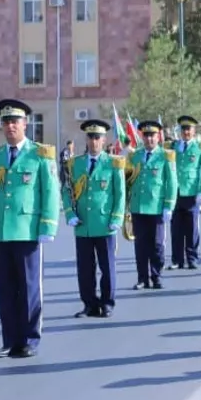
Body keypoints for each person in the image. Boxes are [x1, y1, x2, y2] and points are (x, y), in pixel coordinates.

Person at [0, 99, 60, 358]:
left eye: (15, 121)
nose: (10, 126)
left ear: (26, 124)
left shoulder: (40, 154)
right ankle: (9, 340)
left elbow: (50, 192)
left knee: (28, 288)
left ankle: (29, 340)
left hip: (27, 230)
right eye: (6, 122)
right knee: (5, 289)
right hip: (1, 231)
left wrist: (48, 225)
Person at [63, 119, 126, 318]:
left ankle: (107, 303)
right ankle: (89, 304)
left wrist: (116, 218)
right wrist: (70, 214)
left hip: (105, 224)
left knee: (107, 267)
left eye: (97, 137)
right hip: (83, 224)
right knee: (85, 269)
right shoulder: (75, 164)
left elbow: (120, 194)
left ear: (104, 139)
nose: (93, 142)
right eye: (90, 137)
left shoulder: (114, 163)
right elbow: (67, 190)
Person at [127, 121, 177, 289]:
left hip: (156, 207)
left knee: (156, 244)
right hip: (138, 206)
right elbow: (128, 180)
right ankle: (142, 278)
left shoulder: (165, 156)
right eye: (146, 135)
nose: (149, 139)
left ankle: (156, 276)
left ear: (158, 137)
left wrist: (168, 206)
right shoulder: (134, 156)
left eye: (152, 135)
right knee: (140, 244)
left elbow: (171, 183)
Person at [168, 116, 201, 270]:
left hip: (192, 192)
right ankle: (177, 259)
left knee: (192, 227)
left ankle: (192, 258)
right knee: (176, 227)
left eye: (189, 129)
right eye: (183, 129)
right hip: (175, 193)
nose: (186, 132)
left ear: (194, 131)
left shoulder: (200, 148)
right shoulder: (173, 147)